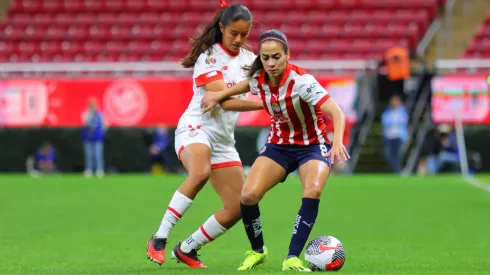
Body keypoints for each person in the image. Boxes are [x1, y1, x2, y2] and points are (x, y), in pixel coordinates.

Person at [201, 29, 349, 272]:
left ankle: (292, 256)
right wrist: (219, 94)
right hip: (279, 145)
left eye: (276, 57)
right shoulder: (259, 77)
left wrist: (337, 142)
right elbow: (245, 84)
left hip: (312, 145)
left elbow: (337, 112)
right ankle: (258, 252)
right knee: (247, 196)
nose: (270, 63)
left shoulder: (302, 81)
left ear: (287, 55)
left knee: (312, 189)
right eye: (265, 57)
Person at [146, 1, 263, 269]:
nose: (238, 39)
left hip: (223, 139)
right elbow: (225, 102)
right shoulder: (209, 57)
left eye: (244, 34)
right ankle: (159, 238)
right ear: (221, 28)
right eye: (233, 32)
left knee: (237, 207)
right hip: (196, 127)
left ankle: (188, 248)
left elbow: (265, 85)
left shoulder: (249, 60)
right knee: (199, 172)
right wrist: (264, 103)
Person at [381, 94, 408, 174]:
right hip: (388, 136)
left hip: (398, 136)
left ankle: (397, 171)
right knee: (388, 155)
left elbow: (403, 121)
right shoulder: (388, 111)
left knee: (397, 155)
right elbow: (385, 121)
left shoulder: (402, 111)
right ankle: (395, 170)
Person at [81, 99, 107, 178]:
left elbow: (105, 125)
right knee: (89, 155)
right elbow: (85, 123)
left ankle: (99, 170)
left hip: (97, 138)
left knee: (98, 155)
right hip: (88, 138)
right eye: (91, 105)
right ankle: (89, 170)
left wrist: (101, 133)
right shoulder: (86, 114)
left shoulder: (100, 115)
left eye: (93, 105)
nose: (92, 107)